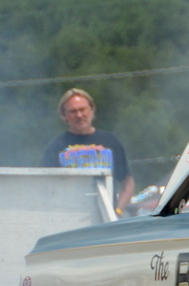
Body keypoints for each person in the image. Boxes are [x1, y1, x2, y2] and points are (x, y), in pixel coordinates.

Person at [40, 88, 134, 216]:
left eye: (82, 109)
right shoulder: (56, 146)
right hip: (69, 217)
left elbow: (127, 184)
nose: (79, 115)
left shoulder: (110, 141)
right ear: (64, 115)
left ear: (91, 110)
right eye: (73, 112)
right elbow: (45, 187)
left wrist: (116, 212)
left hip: (105, 219)